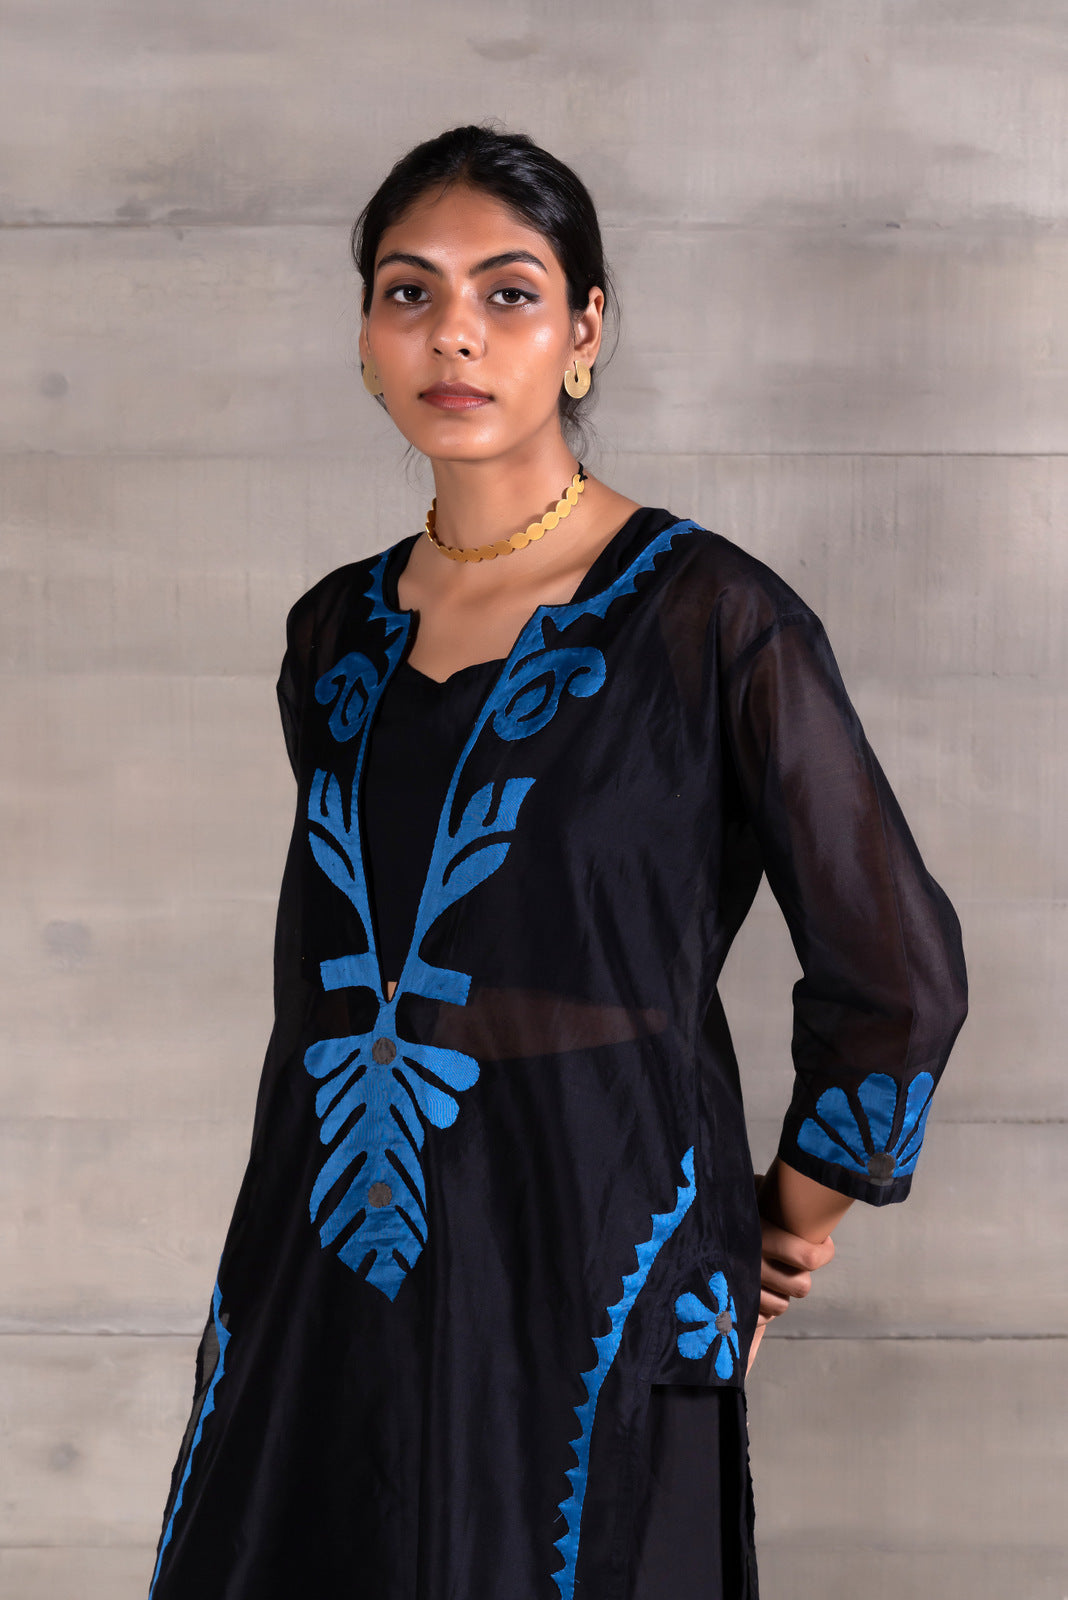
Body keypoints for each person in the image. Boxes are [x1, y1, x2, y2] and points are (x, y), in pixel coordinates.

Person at [147, 124, 968, 1600]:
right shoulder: (333, 636)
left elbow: (898, 972)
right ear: (366, 339)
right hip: (328, 1274)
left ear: (585, 330)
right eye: (409, 292)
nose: (453, 333)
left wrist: (791, 1219)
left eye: (509, 293)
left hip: (596, 1264)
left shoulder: (709, 619)